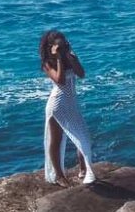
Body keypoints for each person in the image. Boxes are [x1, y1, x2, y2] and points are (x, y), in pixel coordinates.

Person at [40, 29, 96, 185]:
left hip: (71, 104)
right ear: (51, 47)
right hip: (57, 104)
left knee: (83, 137)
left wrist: (69, 57)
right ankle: (59, 176)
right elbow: (61, 80)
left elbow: (81, 74)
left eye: (64, 44)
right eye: (59, 46)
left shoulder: (69, 57)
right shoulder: (47, 63)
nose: (63, 47)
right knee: (55, 140)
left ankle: (84, 170)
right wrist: (58, 58)